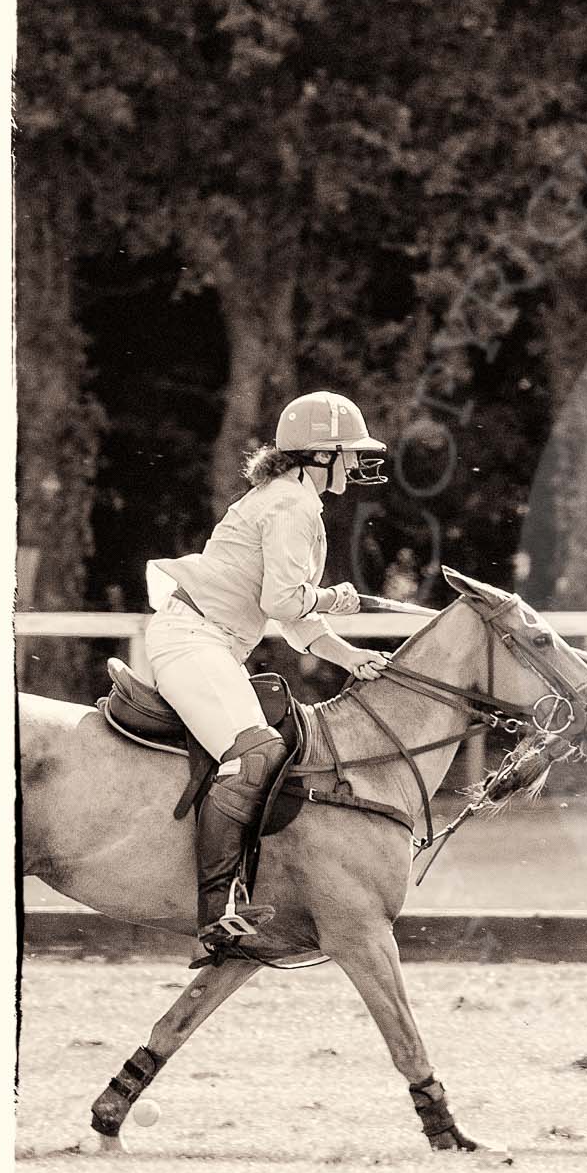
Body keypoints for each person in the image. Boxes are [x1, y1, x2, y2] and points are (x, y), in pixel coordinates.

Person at [136, 391, 395, 966]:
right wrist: (337, 598)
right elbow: (285, 600)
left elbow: (296, 621)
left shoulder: (289, 501)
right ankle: (218, 912)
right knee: (255, 754)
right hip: (194, 640)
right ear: (318, 456)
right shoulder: (291, 507)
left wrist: (351, 657)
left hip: (213, 642)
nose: (354, 464)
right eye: (347, 453)